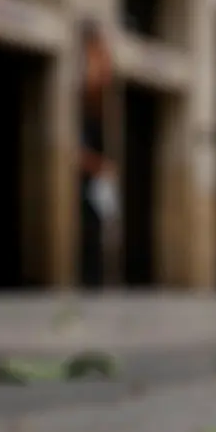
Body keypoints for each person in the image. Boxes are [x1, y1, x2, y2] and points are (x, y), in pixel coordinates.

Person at [77, 21, 116, 289]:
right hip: (85, 183)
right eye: (98, 55)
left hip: (97, 186)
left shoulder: (99, 102)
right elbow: (73, 151)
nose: (106, 66)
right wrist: (98, 165)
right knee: (86, 235)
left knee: (97, 235)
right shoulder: (81, 98)